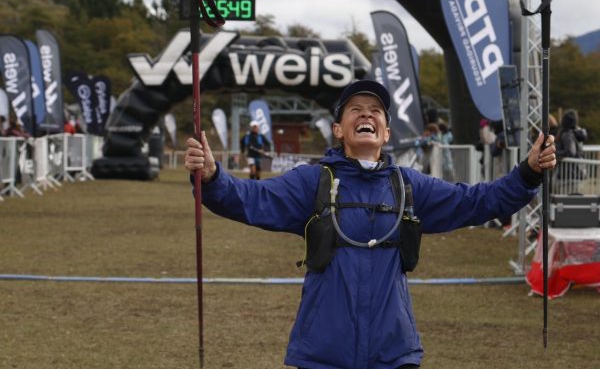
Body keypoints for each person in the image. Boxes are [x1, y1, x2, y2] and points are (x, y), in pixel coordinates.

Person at [184, 79, 556, 369]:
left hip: (393, 354)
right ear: (338, 130)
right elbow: (252, 200)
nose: (366, 115)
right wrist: (214, 177)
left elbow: (477, 201)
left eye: (376, 110)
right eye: (355, 110)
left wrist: (527, 173)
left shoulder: (409, 185)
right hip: (323, 354)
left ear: (387, 133)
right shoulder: (311, 181)